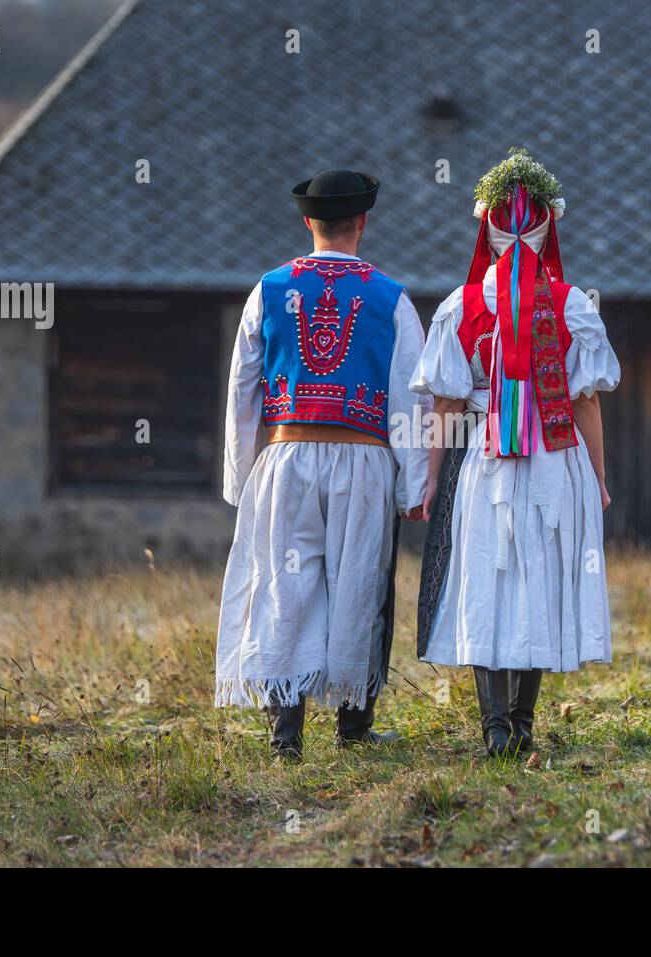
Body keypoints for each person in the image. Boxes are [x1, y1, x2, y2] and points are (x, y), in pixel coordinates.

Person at [412, 149, 620, 756]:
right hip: (557, 458)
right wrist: (600, 479)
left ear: (488, 228)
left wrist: (430, 481)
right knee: (543, 578)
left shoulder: (461, 306)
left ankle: (495, 726)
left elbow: (446, 407)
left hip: (486, 460)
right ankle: (523, 724)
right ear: (549, 226)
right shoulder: (574, 306)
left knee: (487, 576)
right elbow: (585, 403)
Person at [216, 169, 429, 760]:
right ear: (363, 222)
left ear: (307, 222)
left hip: (286, 457)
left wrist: (240, 475)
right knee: (358, 584)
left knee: (288, 584)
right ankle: (353, 728)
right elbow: (411, 396)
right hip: (364, 461)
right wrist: (414, 485)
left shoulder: (269, 289)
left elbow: (241, 389)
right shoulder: (392, 298)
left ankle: (286, 734)